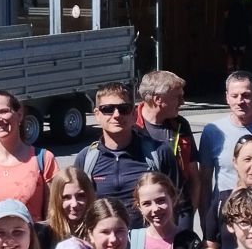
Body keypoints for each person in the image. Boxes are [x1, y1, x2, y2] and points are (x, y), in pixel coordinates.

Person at [77, 82, 179, 228]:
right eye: (108, 109)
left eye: (123, 109)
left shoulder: (159, 152)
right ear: (97, 115)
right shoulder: (85, 159)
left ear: (133, 114)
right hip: (106, 244)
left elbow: (178, 204)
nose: (116, 115)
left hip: (148, 244)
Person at [195, 69, 252, 210]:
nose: (240, 101)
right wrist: (206, 219)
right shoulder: (212, 131)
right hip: (224, 212)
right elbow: (205, 180)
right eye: (234, 96)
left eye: (246, 95)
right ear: (227, 97)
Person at [0, 90, 57, 217]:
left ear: (19, 115)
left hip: (32, 236)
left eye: (3, 111)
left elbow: (53, 215)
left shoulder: (44, 159)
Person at [134, 70, 199, 219]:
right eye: (178, 97)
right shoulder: (130, 124)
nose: (183, 102)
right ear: (158, 99)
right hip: (142, 214)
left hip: (178, 214)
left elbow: (194, 176)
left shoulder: (181, 125)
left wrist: (189, 214)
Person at [131, 171, 204, 249]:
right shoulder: (131, 241)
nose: (155, 208)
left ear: (173, 198)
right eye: (147, 203)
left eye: (161, 200)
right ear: (140, 208)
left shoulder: (190, 242)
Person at [41, 164, 95, 249]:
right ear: (56, 199)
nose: (74, 204)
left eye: (81, 196)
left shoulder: (100, 230)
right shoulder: (43, 234)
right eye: (66, 197)